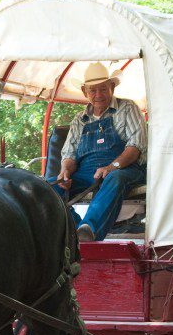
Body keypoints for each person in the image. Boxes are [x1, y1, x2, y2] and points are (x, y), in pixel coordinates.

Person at [52, 62, 146, 242]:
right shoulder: (80, 119)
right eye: (92, 90)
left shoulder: (127, 108)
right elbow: (69, 155)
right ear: (84, 91)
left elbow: (135, 148)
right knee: (46, 188)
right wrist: (65, 172)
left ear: (112, 86)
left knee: (115, 178)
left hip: (124, 168)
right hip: (86, 172)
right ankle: (76, 229)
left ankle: (90, 230)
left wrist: (112, 167)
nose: (98, 95)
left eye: (103, 89)